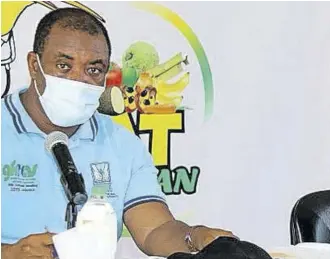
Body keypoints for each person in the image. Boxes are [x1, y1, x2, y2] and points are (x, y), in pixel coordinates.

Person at [1, 8, 235, 258]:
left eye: (93, 70)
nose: (79, 80)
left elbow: (155, 229)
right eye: (64, 66)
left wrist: (195, 238)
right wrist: (7, 253)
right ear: (33, 65)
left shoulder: (122, 144)